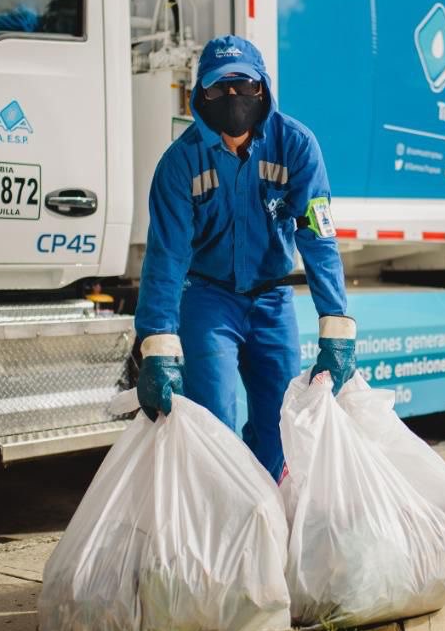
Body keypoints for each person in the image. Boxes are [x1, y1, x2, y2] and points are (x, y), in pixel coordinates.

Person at [133, 35, 356, 480]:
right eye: (219, 89)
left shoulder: (295, 146)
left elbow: (317, 234)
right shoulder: (180, 163)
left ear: (263, 89)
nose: (233, 98)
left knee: (280, 433)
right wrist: (156, 342)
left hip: (272, 303)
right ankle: (224, 528)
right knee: (213, 423)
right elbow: (166, 256)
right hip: (208, 301)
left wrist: (336, 324)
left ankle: (265, 525)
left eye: (244, 86)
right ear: (201, 95)